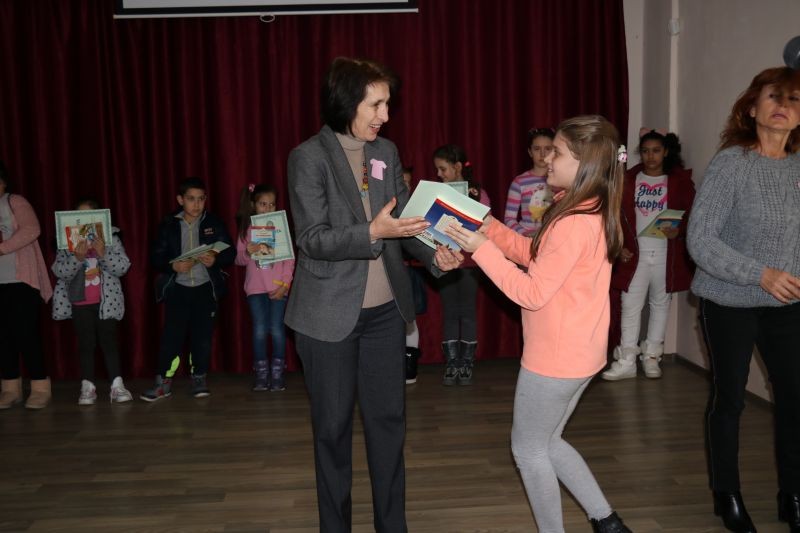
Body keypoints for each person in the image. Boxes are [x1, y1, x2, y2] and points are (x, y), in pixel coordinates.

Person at [285, 57, 462, 532]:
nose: (385, 114)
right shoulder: (308, 157)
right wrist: (371, 231)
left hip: (386, 314)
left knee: (388, 425)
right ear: (347, 102)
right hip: (327, 319)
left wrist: (435, 256)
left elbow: (402, 222)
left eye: (387, 104)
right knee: (332, 431)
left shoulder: (385, 150)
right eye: (376, 104)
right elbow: (312, 239)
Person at [445, 115, 632, 533]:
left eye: (557, 152)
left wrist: (481, 249)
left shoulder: (572, 221)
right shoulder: (587, 208)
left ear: (583, 163)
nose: (547, 158)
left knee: (528, 451)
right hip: (581, 354)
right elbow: (536, 255)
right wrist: (489, 227)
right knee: (548, 442)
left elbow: (531, 292)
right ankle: (608, 522)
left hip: (555, 359)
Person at [687, 66, 800, 533]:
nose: (783, 106)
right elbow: (700, 240)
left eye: (794, 99)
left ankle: (792, 494)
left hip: (788, 305)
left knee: (794, 398)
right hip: (728, 300)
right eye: (773, 96)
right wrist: (761, 274)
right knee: (730, 398)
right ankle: (727, 495)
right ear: (751, 108)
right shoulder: (731, 164)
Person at [603, 129, 695, 380]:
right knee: (630, 306)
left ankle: (652, 357)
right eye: (645, 151)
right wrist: (618, 245)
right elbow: (611, 216)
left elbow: (693, 215)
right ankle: (626, 361)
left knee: (660, 304)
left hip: (665, 253)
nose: (650, 156)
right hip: (634, 255)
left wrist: (679, 230)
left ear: (665, 152)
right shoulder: (627, 180)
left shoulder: (678, 182)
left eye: (656, 151)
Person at [141, 177, 235, 401]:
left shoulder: (214, 222)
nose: (196, 204)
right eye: (191, 199)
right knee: (171, 338)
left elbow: (230, 252)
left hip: (205, 289)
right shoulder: (169, 224)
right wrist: (172, 266)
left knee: (202, 338)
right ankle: (163, 383)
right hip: (178, 289)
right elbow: (155, 256)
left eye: (201, 199)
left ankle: (199, 378)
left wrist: (215, 260)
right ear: (180, 200)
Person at [51, 198, 133, 404]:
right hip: (80, 303)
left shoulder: (111, 238)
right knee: (86, 344)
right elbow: (60, 271)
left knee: (109, 342)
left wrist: (103, 253)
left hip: (107, 302)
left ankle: (117, 385)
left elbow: (123, 267)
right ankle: (87, 386)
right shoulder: (66, 242)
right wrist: (76, 258)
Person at [432, 144, 491, 385]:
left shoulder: (477, 192)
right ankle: (452, 363)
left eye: (443, 169)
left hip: (469, 264)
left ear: (457, 167)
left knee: (466, 312)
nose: (439, 174)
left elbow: (487, 224)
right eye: (437, 170)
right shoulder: (436, 193)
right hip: (445, 261)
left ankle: (466, 363)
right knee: (450, 312)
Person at [0, 161, 53, 410]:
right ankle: (10, 389)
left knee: (26, 333)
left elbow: (32, 229)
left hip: (21, 280)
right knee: (3, 337)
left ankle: (40, 387)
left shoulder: (15, 202)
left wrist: (2, 248)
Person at [234, 183, 294, 392]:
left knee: (277, 330)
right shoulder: (246, 230)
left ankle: (277, 373)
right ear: (253, 205)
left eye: (272, 204)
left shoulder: (280, 227)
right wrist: (247, 252)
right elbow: (238, 260)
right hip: (255, 289)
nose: (268, 208)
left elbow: (290, 260)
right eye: (263, 204)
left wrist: (285, 285)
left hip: (278, 288)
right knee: (259, 330)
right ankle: (261, 373)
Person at [401, 166, 427, 384]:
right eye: (401, 181)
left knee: (409, 319)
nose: (405, 185)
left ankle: (410, 366)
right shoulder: (383, 207)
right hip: (385, 272)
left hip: (408, 271)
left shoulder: (416, 209)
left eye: (408, 182)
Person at [504, 127, 555, 236]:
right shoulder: (519, 182)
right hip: (527, 240)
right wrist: (526, 234)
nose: (542, 154)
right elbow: (509, 219)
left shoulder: (560, 181)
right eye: (537, 149)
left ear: (554, 151)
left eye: (547, 148)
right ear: (530, 152)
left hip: (553, 238)